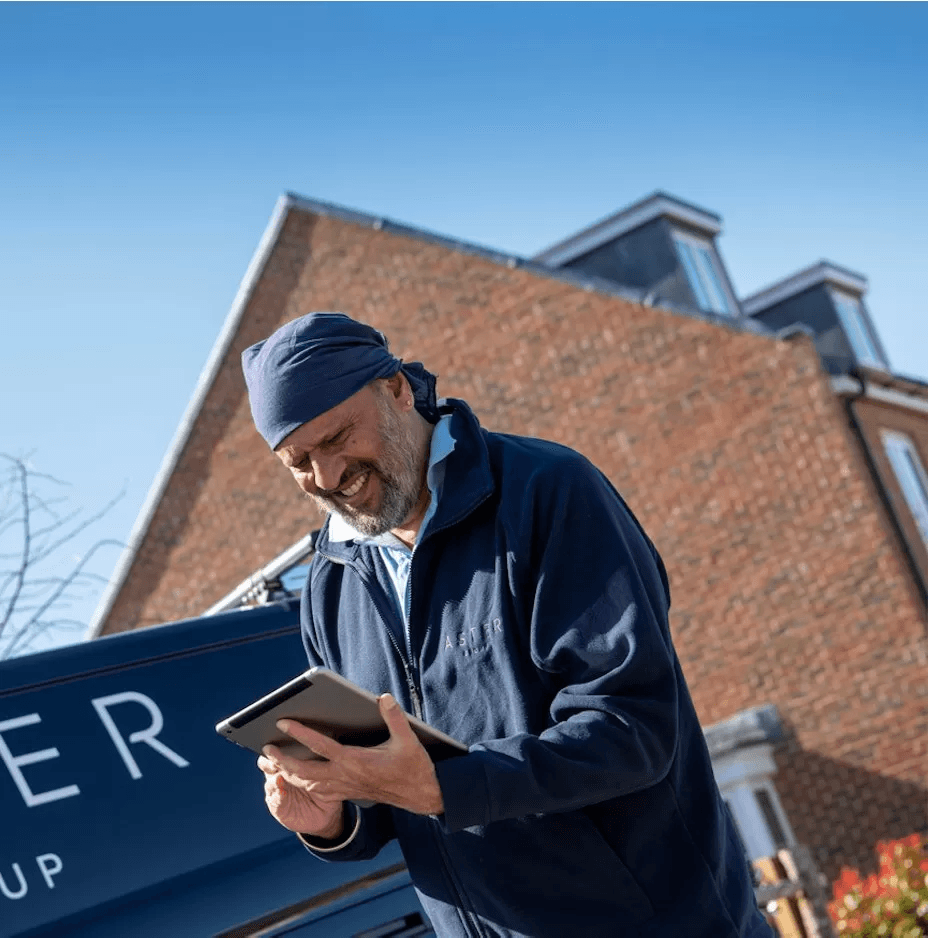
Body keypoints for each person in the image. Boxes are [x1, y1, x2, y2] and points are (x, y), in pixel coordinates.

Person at [241, 312, 773, 938]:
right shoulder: (331, 585)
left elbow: (634, 730)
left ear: (396, 389)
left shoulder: (547, 494)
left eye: (337, 439)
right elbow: (394, 795)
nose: (327, 478)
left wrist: (446, 786)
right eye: (299, 462)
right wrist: (331, 815)